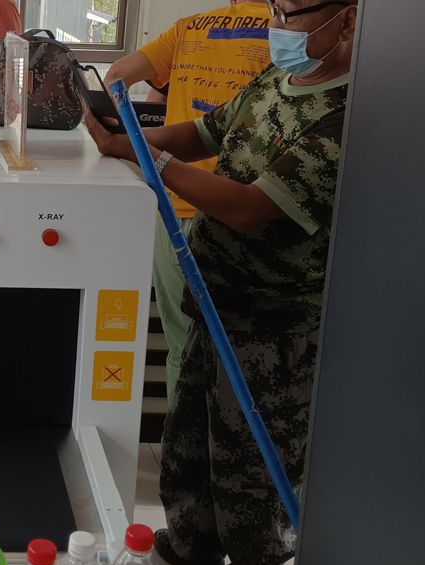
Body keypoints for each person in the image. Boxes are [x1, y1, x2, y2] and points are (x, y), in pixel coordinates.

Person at [85, 0, 358, 565]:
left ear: (345, 21)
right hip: (218, 293)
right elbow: (205, 134)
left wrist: (154, 164)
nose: (278, 27)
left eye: (294, 15)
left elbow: (248, 208)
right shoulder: (278, 76)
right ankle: (193, 541)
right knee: (192, 431)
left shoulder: (346, 116)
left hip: (276, 317)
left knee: (255, 451)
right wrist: (127, 141)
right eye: (275, 9)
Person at [105, 1, 272, 402]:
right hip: (241, 210)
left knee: (182, 345)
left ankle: (180, 438)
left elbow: (115, 78)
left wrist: (125, 135)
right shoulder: (290, 34)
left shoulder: (190, 28)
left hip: (175, 204)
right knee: (244, 355)